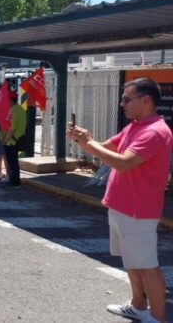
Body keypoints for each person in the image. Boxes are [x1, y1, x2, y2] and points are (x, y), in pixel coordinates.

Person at [68, 78, 171, 323]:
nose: (122, 103)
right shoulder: (135, 126)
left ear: (146, 100)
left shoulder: (155, 131)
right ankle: (137, 305)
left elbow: (123, 163)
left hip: (138, 209)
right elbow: (106, 149)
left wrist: (88, 143)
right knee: (133, 261)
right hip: (122, 206)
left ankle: (158, 317)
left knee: (147, 265)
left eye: (127, 99)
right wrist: (84, 138)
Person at [0, 86, 26, 188]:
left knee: (12, 163)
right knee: (13, 162)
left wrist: (4, 140)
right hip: (17, 139)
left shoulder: (14, 110)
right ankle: (14, 181)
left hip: (11, 141)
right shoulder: (20, 109)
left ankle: (14, 182)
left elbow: (12, 128)